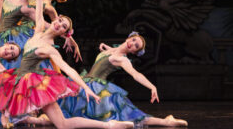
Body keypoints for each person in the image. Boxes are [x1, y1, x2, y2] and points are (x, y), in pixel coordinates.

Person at [0, 0, 133, 129]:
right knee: (9, 115)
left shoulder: (50, 48)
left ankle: (108, 125)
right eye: (60, 21)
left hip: (36, 84)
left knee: (63, 125)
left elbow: (69, 70)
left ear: (63, 33)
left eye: (63, 26)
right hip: (20, 80)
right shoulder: (36, 32)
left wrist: (86, 88)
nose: (59, 24)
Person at [60, 33, 188, 127]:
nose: (132, 44)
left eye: (135, 46)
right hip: (85, 81)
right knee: (74, 111)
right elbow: (110, 54)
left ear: (134, 51)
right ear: (129, 37)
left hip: (96, 86)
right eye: (133, 40)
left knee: (124, 115)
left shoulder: (122, 59)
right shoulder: (113, 51)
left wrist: (152, 86)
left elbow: (135, 74)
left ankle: (165, 122)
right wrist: (105, 47)